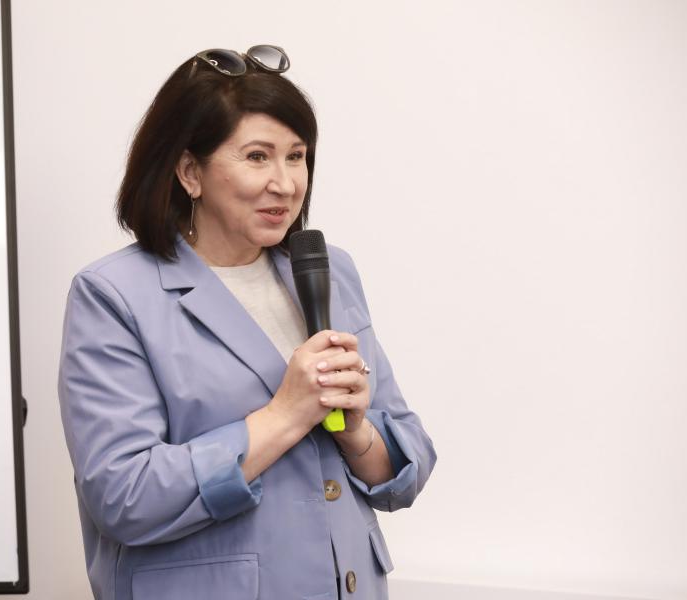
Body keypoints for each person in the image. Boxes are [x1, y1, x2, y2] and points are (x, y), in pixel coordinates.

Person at [58, 45, 437, 600]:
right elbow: (124, 497)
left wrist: (356, 431)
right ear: (190, 171)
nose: (285, 183)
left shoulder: (330, 270)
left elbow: (407, 461)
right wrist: (286, 413)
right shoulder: (115, 295)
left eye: (296, 156)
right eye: (258, 156)